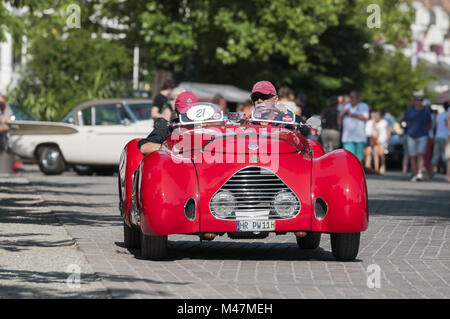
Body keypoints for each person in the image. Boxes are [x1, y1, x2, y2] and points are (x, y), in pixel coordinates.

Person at [139, 91, 198, 156]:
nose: (188, 116)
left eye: (191, 112)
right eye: (184, 113)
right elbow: (144, 147)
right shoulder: (169, 127)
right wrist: (169, 148)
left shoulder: (205, 126)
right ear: (177, 111)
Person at [404, 93, 432, 182]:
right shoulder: (410, 111)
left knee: (420, 154)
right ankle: (414, 173)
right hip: (411, 135)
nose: (418, 102)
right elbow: (407, 122)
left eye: (420, 100)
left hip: (422, 135)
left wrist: (424, 130)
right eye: (417, 100)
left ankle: (419, 173)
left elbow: (430, 124)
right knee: (413, 156)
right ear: (414, 101)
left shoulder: (426, 111)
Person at [338, 90, 370, 163]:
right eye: (350, 97)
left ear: (358, 98)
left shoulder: (363, 106)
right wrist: (343, 113)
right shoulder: (347, 106)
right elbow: (340, 118)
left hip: (359, 136)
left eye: (353, 97)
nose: (351, 99)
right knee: (348, 157)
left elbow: (365, 117)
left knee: (359, 158)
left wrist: (351, 114)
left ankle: (358, 173)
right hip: (347, 137)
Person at [431, 101, 449, 180]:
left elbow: (435, 126)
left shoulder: (439, 115)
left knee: (435, 155)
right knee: (446, 157)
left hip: (437, 136)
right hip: (446, 136)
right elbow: (447, 124)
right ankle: (447, 175)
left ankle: (431, 172)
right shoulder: (447, 115)